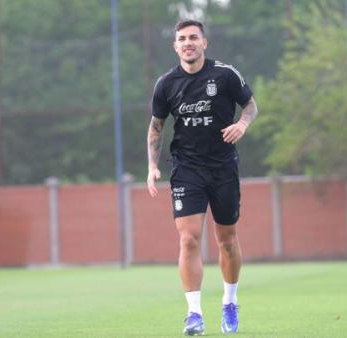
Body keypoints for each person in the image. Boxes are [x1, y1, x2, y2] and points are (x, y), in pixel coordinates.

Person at [146, 19, 258, 336]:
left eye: (193, 37)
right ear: (175, 46)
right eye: (182, 39)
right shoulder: (166, 83)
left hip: (223, 167)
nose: (188, 43)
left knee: (226, 241)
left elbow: (250, 105)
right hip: (186, 169)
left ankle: (230, 302)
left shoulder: (225, 74)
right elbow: (156, 126)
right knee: (189, 238)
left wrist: (242, 124)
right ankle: (194, 314)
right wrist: (153, 165)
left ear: (204, 43)